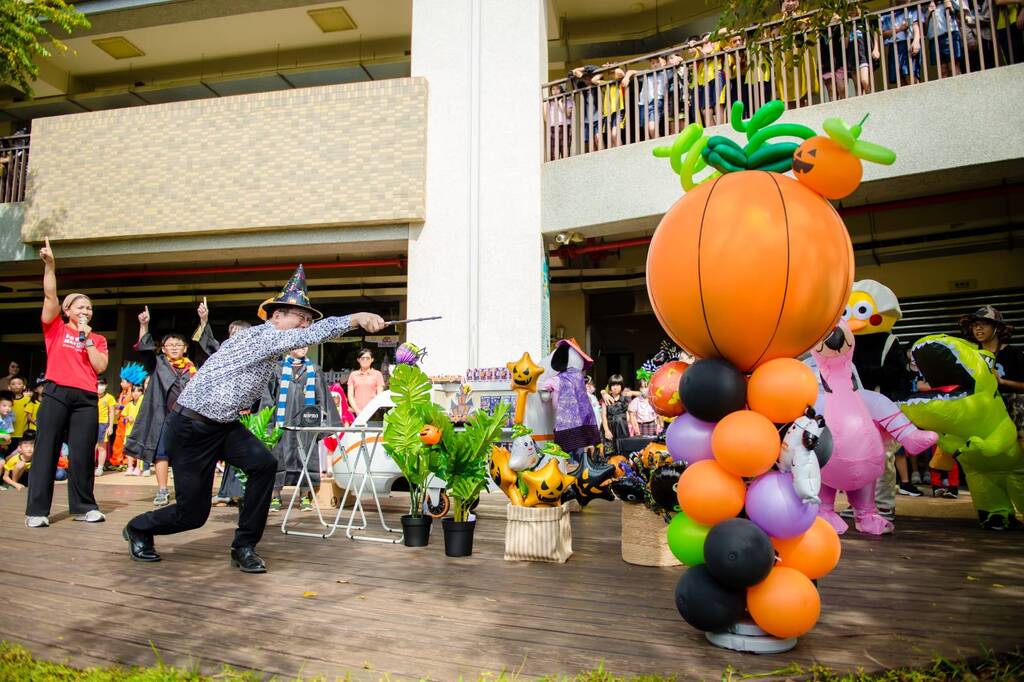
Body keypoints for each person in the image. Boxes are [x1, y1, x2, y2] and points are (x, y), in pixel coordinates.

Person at [122, 264, 385, 573]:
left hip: (223, 425)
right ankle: (139, 528)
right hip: (191, 426)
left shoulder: (271, 344)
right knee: (192, 515)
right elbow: (315, 334)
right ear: (276, 316)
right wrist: (355, 318)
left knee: (264, 464)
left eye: (308, 320)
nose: (305, 324)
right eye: (300, 317)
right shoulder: (261, 337)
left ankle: (244, 546)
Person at [25, 237, 109, 528]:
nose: (85, 311)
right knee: (46, 450)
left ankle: (84, 507)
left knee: (83, 454)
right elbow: (50, 296)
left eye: (89, 308)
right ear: (67, 310)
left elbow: (100, 366)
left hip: (86, 398)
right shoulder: (55, 329)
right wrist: (50, 265)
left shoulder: (97, 338)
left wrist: (87, 340)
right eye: (80, 307)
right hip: (56, 393)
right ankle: (37, 511)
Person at [126, 307, 198, 507]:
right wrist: (144, 325)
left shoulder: (192, 368)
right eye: (170, 345)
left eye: (178, 345)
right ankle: (162, 490)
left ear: (185, 348)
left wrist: (203, 321)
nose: (174, 348)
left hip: (186, 418)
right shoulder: (158, 364)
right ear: (163, 349)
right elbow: (144, 348)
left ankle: (185, 491)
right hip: (163, 418)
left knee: (186, 455)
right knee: (161, 454)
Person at [262, 345, 340, 513]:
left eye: (305, 345)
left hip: (306, 423)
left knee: (307, 458)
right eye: (299, 345)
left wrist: (321, 423)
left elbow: (322, 398)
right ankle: (275, 496)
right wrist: (267, 424)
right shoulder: (277, 369)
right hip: (281, 423)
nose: (303, 348)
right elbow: (268, 398)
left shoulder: (314, 370)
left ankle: (305, 495)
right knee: (277, 458)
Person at [961, 306, 1024, 441]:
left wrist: (1002, 382)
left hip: (1012, 414)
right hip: (982, 413)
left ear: (997, 328)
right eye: (975, 325)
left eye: (984, 324)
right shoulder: (969, 354)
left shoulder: (1013, 353)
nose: (978, 328)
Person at [876, 1, 922, 87]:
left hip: (908, 44)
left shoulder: (912, 9)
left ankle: (916, 95)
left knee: (911, 76)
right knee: (900, 79)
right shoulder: (888, 15)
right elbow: (882, 34)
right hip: (894, 46)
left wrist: (916, 41)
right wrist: (899, 29)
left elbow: (916, 25)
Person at [347, 348, 385, 416]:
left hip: (373, 412)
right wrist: (357, 410)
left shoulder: (377, 374)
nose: (365, 360)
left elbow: (379, 395)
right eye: (362, 358)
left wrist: (371, 410)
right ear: (358, 360)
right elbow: (350, 395)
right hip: (356, 412)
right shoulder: (353, 375)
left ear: (372, 360)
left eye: (367, 358)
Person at [601, 375, 632, 453]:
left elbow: (629, 415)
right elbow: (603, 416)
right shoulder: (606, 399)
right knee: (609, 453)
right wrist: (606, 430)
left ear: (621, 386)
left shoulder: (625, 398)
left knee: (624, 452)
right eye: (613, 385)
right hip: (610, 429)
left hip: (622, 429)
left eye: (618, 385)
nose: (615, 387)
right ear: (610, 386)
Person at [94, 377, 117, 476]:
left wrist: (110, 426)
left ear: (106, 386)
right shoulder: (91, 396)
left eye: (102, 384)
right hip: (91, 423)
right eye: (98, 384)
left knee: (101, 447)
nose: (100, 387)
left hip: (103, 424)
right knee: (91, 447)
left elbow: (111, 412)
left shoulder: (109, 398)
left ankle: (100, 467)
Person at [122, 382, 145, 476]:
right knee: (129, 450)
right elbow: (124, 417)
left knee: (139, 449)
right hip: (129, 431)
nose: (136, 393)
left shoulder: (143, 404)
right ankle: (130, 467)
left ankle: (138, 467)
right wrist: (128, 418)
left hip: (140, 431)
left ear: (142, 393)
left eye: (138, 391)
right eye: (134, 391)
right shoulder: (129, 404)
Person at [8, 376, 31, 457]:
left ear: (24, 386)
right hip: (9, 434)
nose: (16, 386)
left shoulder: (28, 399)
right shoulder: (6, 401)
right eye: (13, 384)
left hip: (23, 434)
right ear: (9, 387)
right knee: (8, 456)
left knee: (21, 456)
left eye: (19, 383)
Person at [0, 392, 13, 457]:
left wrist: (7, 441)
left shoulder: (8, 419)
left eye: (10, 406)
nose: (7, 408)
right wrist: (3, 435)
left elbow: (9, 436)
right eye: (4, 406)